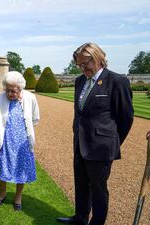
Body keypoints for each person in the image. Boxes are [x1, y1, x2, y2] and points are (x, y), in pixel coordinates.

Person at [56, 43, 134, 225]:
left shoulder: (117, 81)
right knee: (81, 184)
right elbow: (80, 113)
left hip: (101, 147)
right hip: (80, 143)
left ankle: (97, 222)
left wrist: (111, 142)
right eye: (79, 65)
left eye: (85, 64)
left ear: (97, 58)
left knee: (98, 188)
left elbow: (126, 118)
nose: (83, 69)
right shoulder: (80, 81)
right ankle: (80, 218)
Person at [0, 71, 40, 211]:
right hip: (5, 140)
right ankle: (2, 193)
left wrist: (26, 131)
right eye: (8, 90)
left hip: (23, 143)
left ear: (21, 88)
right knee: (2, 167)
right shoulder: (1, 98)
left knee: (21, 169)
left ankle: (18, 196)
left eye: (14, 91)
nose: (10, 93)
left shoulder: (30, 98)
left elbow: (36, 118)